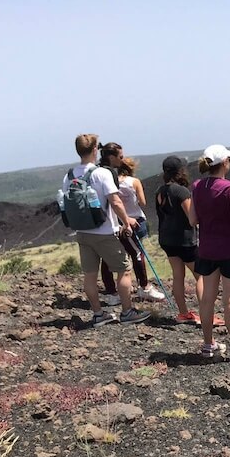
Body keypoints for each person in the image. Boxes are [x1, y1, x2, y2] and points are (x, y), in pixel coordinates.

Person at [62, 134, 150, 326]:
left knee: (90, 275)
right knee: (124, 270)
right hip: (105, 232)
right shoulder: (101, 174)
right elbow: (115, 201)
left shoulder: (68, 176)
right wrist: (126, 222)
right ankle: (127, 312)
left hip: (82, 233)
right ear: (94, 150)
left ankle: (98, 315)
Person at [189, 144, 230, 364]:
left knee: (207, 299)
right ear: (225, 163)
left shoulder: (197, 186)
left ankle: (209, 345)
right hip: (229, 250)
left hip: (207, 250)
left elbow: (192, 220)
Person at [96, 143, 164, 303]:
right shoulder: (132, 181)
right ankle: (144, 287)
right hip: (132, 221)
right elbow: (141, 202)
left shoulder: (101, 176)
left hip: (111, 223)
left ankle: (112, 292)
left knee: (107, 258)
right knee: (137, 253)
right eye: (120, 156)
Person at [155, 156, 204, 324]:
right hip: (185, 241)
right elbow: (192, 218)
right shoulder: (181, 191)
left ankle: (183, 313)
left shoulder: (160, 191)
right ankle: (207, 314)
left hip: (167, 239)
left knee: (178, 275)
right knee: (201, 276)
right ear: (180, 171)